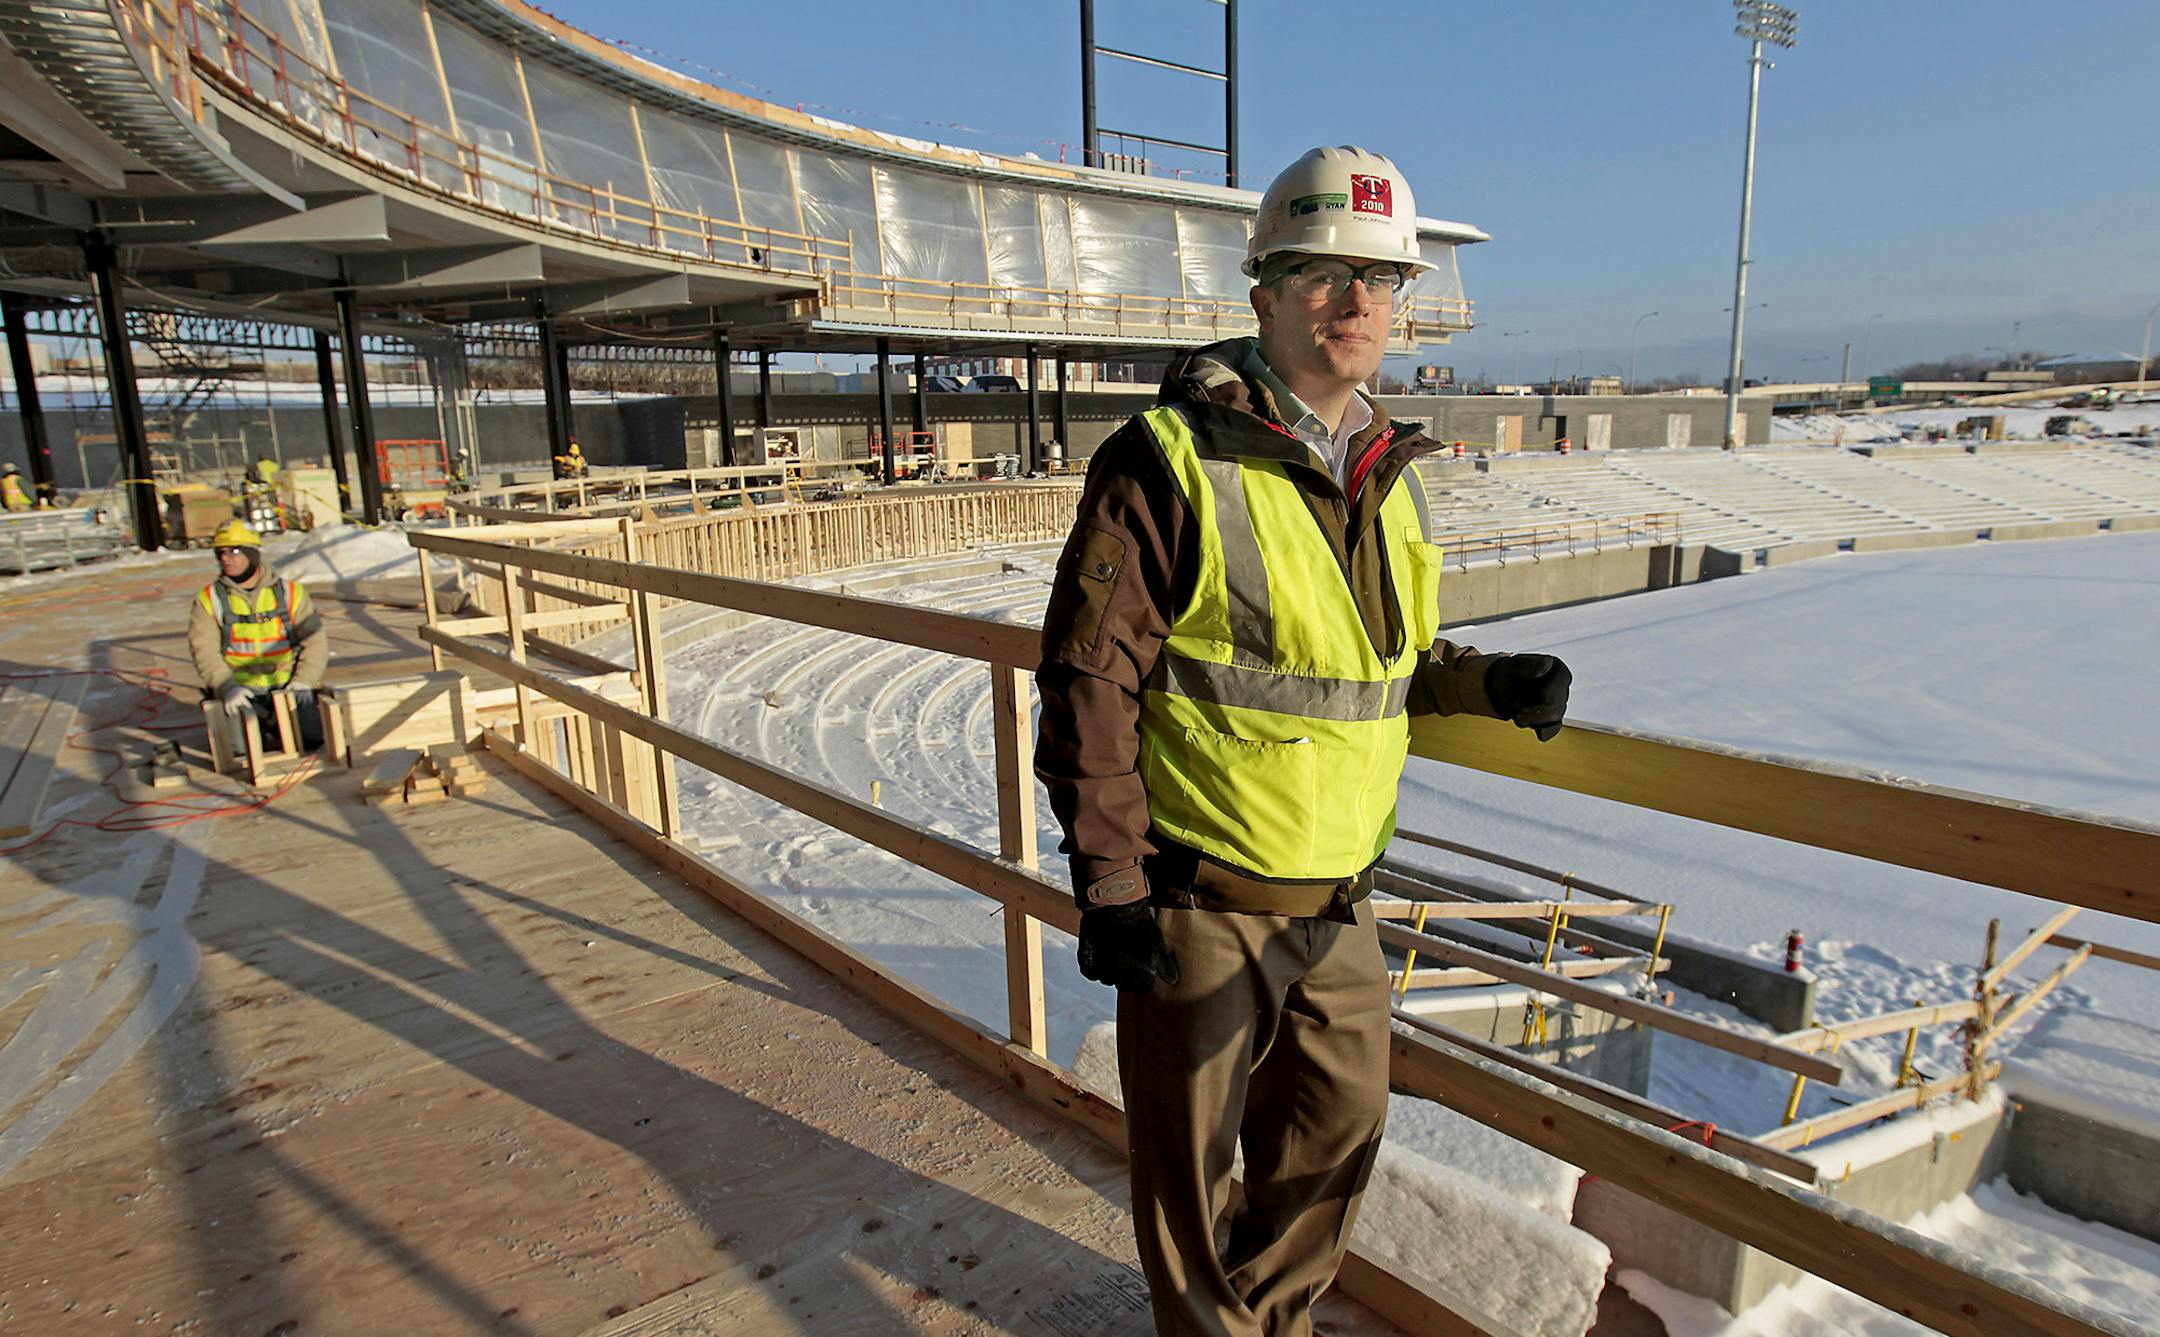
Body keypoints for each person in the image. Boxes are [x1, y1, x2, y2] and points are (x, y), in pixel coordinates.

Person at [1034, 146, 1574, 1337]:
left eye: (1381, 280)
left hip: (1341, 900)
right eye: (1325, 274)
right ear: (1264, 291)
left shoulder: (1388, 470)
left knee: (1332, 1146)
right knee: (1189, 1181)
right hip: (1198, 895)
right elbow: (1088, 678)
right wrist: (1112, 880)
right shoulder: (1167, 459)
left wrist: (1488, 681)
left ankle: (1266, 1326)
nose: (1358, 302)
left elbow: (1383, 664)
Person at [189, 520, 329, 755]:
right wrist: (227, 688)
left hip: (288, 685)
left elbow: (315, 640)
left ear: (252, 554)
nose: (225, 558)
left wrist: (304, 680)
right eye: (220, 552)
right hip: (241, 692)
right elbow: (203, 649)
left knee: (312, 739)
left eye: (234, 551)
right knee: (242, 751)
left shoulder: (290, 593)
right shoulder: (209, 599)